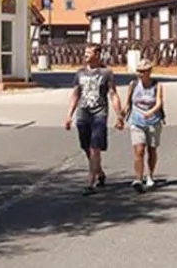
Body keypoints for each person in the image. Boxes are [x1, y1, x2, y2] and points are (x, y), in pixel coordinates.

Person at [64, 44, 124, 195]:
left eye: (88, 53)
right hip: (83, 113)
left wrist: (119, 115)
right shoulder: (80, 73)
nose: (85, 55)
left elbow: (113, 94)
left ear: (97, 55)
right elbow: (75, 94)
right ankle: (100, 173)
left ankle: (90, 182)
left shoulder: (106, 73)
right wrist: (69, 115)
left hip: (99, 113)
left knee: (94, 147)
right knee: (86, 147)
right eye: (85, 52)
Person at [125, 58, 165, 193]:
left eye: (143, 71)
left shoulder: (157, 85)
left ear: (149, 72)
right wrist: (121, 116)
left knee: (152, 150)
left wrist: (151, 112)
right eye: (139, 71)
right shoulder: (133, 84)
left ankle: (150, 175)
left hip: (153, 121)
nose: (140, 74)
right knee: (139, 150)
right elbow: (128, 103)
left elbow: (159, 102)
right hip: (136, 120)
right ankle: (138, 179)